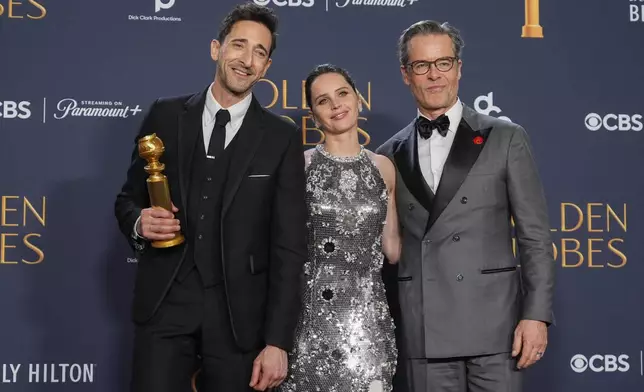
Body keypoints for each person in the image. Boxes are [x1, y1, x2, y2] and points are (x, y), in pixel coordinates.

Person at [114, 3, 307, 391]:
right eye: (239, 45)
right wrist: (139, 221)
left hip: (241, 320)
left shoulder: (281, 137)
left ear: (267, 67)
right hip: (165, 304)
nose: (247, 60)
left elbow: (289, 246)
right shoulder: (165, 115)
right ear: (216, 49)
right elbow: (127, 198)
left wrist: (278, 341)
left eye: (260, 52)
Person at [376, 20, 556, 391]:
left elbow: (534, 237)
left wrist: (536, 315)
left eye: (443, 63)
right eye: (422, 66)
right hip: (423, 327)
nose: (434, 76)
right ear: (406, 75)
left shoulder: (505, 137)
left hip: (496, 330)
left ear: (459, 67)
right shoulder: (388, 155)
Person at [277, 64, 401, 392]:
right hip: (311, 325)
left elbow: (392, 248)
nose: (336, 105)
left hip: (367, 326)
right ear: (314, 115)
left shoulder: (384, 167)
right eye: (323, 100)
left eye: (343, 93)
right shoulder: (299, 167)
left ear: (359, 99)